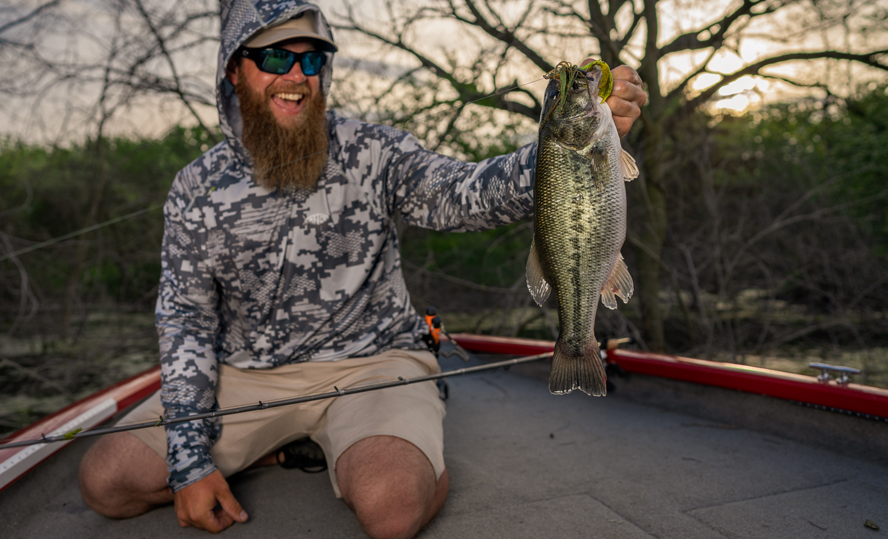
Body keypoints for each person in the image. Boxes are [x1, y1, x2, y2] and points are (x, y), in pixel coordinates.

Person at [78, 1, 647, 538]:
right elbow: (185, 323)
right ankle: (281, 445)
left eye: (312, 58)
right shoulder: (195, 188)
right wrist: (188, 463)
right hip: (246, 374)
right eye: (275, 57)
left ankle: (399, 437)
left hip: (373, 364)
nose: (296, 76)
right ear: (234, 69)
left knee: (391, 509)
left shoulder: (372, 150)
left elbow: (463, 195)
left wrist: (567, 147)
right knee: (107, 481)